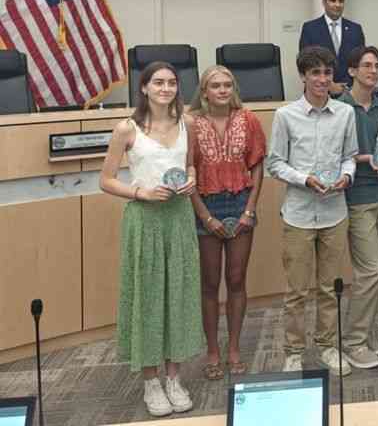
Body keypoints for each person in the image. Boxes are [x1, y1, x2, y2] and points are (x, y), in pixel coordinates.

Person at [99, 62, 203, 418]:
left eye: (172, 82)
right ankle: (150, 381)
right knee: (148, 298)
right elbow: (106, 180)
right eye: (158, 82)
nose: (166, 88)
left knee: (178, 295)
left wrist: (191, 178)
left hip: (179, 218)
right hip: (144, 220)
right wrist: (140, 192)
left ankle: (173, 378)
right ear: (143, 87)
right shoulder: (126, 129)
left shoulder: (188, 123)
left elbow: (190, 165)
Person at [266, 46, 358, 375]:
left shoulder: (345, 113)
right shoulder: (285, 115)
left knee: (330, 287)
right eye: (315, 73)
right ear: (303, 76)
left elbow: (350, 156)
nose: (322, 79)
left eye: (327, 73)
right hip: (299, 214)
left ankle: (328, 346)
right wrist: (304, 179)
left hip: (334, 212)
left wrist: (348, 175)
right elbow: (275, 163)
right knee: (297, 291)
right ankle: (293, 352)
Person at [188, 65, 267, 381]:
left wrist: (249, 210)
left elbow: (257, 166)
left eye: (227, 85)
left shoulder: (248, 120)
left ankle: (233, 349)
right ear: (204, 92)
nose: (222, 90)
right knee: (209, 283)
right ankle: (212, 352)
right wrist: (204, 216)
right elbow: (186, 173)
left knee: (236, 279)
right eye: (215, 85)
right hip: (204, 204)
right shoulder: (190, 123)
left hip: (240, 202)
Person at [337, 46, 378, 369]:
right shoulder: (340, 107)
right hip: (356, 196)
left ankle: (366, 330)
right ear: (352, 71)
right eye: (367, 65)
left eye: (377, 66)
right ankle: (354, 342)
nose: (373, 71)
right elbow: (335, 154)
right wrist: (367, 159)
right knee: (370, 269)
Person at [298, 0, 365, 93]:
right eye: (333, 1)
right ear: (324, 2)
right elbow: (305, 62)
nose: (337, 5)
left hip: (349, 91)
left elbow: (360, 61)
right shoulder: (310, 28)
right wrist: (329, 84)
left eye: (341, 1)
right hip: (318, 89)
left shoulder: (355, 29)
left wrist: (346, 87)